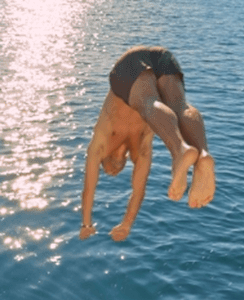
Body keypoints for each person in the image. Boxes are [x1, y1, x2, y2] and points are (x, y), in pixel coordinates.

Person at [80, 45, 216, 241]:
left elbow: (90, 187)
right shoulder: (139, 151)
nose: (113, 171)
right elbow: (138, 191)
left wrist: (86, 224)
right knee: (179, 106)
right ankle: (202, 154)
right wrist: (126, 225)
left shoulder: (100, 145)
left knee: (147, 103)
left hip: (129, 64)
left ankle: (180, 151)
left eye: (110, 171)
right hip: (162, 56)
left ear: (106, 159)